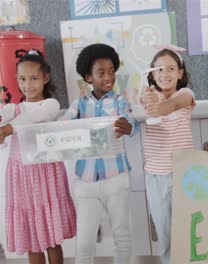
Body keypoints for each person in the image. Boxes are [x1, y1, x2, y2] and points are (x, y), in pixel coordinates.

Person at [60, 43, 137, 264]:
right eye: (101, 73)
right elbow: (64, 125)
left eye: (112, 71)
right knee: (84, 242)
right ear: (88, 77)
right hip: (86, 182)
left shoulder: (121, 101)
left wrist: (128, 126)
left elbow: (131, 124)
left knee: (122, 235)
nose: (108, 77)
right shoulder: (79, 104)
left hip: (117, 178)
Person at [0, 49, 76, 264]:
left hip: (46, 174)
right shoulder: (12, 109)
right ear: (16, 79)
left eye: (33, 78)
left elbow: (33, 117)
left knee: (52, 238)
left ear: (45, 78)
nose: (28, 85)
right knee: (32, 238)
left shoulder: (50, 105)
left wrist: (7, 130)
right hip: (20, 177)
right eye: (22, 79)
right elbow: (4, 115)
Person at [142, 46, 195, 264]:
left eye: (171, 68)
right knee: (164, 233)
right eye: (160, 69)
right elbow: (145, 98)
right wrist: (147, 96)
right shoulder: (149, 95)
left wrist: (159, 109)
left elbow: (174, 104)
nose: (165, 74)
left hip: (184, 174)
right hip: (156, 175)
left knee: (189, 229)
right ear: (153, 74)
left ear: (180, 73)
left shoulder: (186, 94)